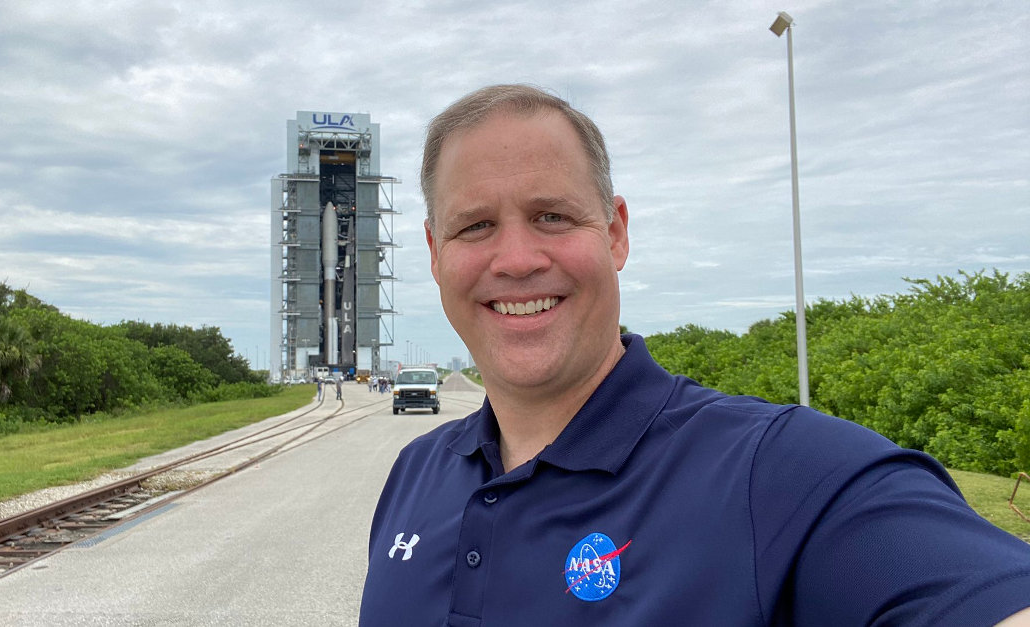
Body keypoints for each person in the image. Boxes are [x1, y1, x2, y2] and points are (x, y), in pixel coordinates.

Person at [359, 84, 1030, 626]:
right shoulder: (416, 474)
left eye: (552, 216)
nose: (516, 259)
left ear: (616, 233)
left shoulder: (777, 472)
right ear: (435, 254)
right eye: (476, 226)